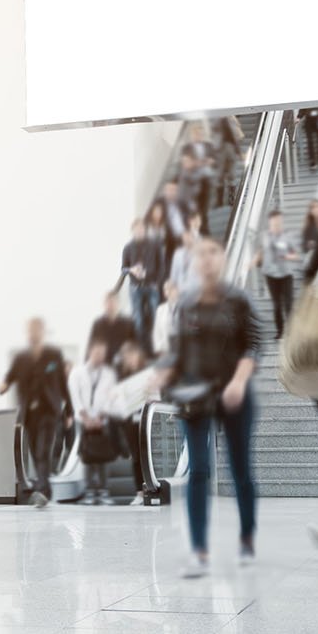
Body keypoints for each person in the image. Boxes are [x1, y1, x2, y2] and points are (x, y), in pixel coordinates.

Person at [155, 236, 260, 577]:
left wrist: (239, 382)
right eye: (200, 254)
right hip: (195, 395)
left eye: (213, 252)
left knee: (240, 469)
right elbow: (177, 351)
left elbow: (253, 346)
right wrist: (160, 375)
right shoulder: (184, 303)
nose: (207, 259)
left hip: (234, 394)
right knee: (198, 470)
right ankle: (199, 550)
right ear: (193, 262)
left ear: (223, 258)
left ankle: (246, 538)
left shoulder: (238, 300)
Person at [0, 318, 72, 508]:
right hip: (29, 414)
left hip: (49, 411)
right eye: (31, 329)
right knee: (34, 451)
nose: (34, 333)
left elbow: (63, 384)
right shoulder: (21, 358)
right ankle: (42, 488)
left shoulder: (53, 355)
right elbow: (9, 377)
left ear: (42, 331)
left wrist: (69, 412)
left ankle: (43, 491)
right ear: (27, 332)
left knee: (42, 452)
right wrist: (3, 386)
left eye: (37, 329)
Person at [69, 340, 117, 504]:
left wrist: (100, 417)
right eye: (97, 353)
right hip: (83, 421)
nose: (100, 356)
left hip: (102, 420)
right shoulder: (77, 372)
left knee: (103, 455)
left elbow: (111, 397)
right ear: (90, 352)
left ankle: (103, 491)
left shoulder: (109, 374)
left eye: (103, 354)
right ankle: (89, 491)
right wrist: (86, 419)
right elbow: (75, 396)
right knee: (87, 456)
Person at [108, 340, 152, 502]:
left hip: (147, 416)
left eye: (132, 355)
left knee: (148, 454)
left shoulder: (147, 371)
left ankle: (151, 488)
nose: (130, 359)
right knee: (136, 455)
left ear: (138, 354)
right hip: (130, 419)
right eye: (126, 357)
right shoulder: (122, 375)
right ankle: (139, 492)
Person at [116, 218, 164, 352]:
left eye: (141, 228)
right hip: (135, 287)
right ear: (132, 231)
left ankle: (157, 347)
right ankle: (141, 349)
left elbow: (161, 266)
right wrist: (132, 270)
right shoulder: (128, 247)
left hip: (151, 285)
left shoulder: (155, 244)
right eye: (136, 229)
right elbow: (123, 269)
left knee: (156, 317)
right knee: (138, 320)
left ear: (145, 229)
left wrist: (156, 283)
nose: (139, 231)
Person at [253, 209, 301, 339]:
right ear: (270, 223)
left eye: (279, 223)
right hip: (270, 274)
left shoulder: (287, 236)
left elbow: (296, 255)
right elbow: (260, 252)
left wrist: (287, 256)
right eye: (274, 223)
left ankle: (292, 331)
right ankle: (280, 331)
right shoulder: (264, 236)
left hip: (286, 273)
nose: (276, 226)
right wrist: (253, 262)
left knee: (288, 304)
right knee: (276, 304)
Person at [86, 291, 135, 365]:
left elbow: (134, 344)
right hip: (103, 364)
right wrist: (87, 363)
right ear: (104, 304)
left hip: (123, 363)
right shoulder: (97, 324)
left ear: (118, 303)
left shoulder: (128, 322)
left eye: (113, 302)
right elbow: (91, 345)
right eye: (108, 302)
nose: (110, 305)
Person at [156, 179, 189, 264]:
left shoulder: (182, 204)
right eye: (169, 190)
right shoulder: (159, 205)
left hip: (184, 238)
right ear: (165, 191)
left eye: (174, 190)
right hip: (168, 240)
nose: (171, 192)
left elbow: (188, 220)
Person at [214, 115, 243, 207]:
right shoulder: (229, 119)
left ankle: (221, 201)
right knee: (229, 175)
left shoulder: (224, 119)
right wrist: (239, 152)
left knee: (222, 175)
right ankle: (229, 199)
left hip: (223, 150)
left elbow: (233, 136)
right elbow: (235, 137)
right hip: (227, 150)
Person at [169, 227, 201, 297]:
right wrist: (172, 289)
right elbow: (173, 274)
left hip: (196, 291)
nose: (186, 239)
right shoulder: (177, 254)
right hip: (180, 291)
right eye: (184, 236)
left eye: (189, 236)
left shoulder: (200, 254)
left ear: (194, 237)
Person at [152, 280, 180, 358]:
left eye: (171, 288)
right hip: (166, 350)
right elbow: (156, 332)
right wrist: (159, 350)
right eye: (166, 289)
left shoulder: (186, 307)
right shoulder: (160, 309)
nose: (168, 291)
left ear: (177, 290)